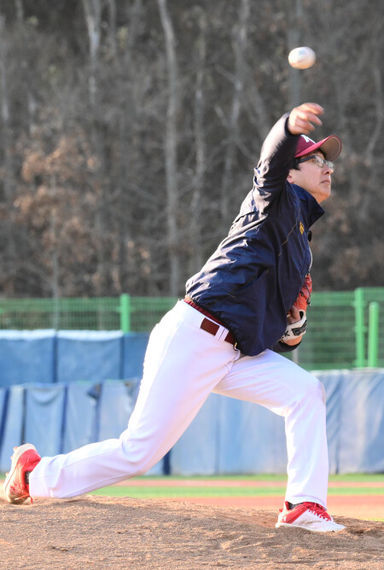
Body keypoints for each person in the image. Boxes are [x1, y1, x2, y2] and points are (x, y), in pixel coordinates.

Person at [3, 102, 346, 532]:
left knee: (305, 391)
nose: (326, 166)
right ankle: (35, 474)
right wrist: (286, 129)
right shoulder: (272, 201)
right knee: (139, 451)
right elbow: (268, 166)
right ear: (292, 172)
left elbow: (283, 337)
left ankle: (305, 506)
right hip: (196, 334)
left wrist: (292, 325)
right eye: (314, 158)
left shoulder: (301, 242)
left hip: (236, 349)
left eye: (326, 159)